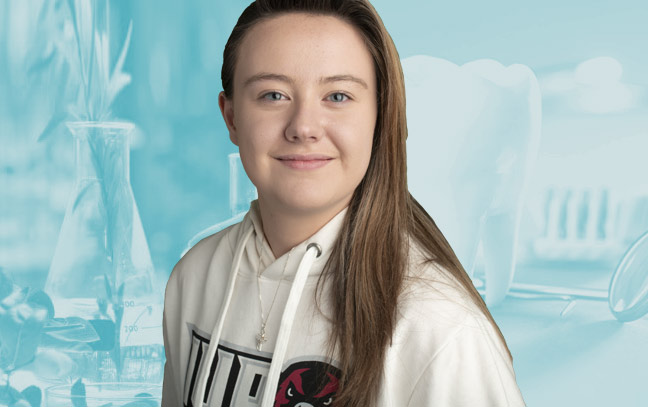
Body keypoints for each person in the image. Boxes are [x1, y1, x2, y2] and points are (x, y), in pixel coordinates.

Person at [162, 0, 526, 406]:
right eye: (273, 94)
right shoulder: (193, 280)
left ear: (380, 116)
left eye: (337, 96)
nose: (303, 126)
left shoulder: (440, 329)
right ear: (230, 116)